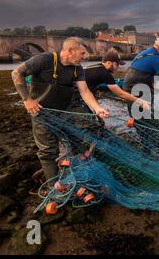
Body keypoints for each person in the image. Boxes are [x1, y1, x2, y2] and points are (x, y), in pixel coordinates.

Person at [11, 37, 109, 180]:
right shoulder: (44, 60)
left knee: (77, 140)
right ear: (70, 50)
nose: (85, 57)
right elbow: (16, 73)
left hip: (64, 112)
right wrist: (27, 99)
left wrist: (97, 108)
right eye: (82, 53)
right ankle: (54, 184)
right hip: (40, 113)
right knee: (48, 151)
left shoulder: (77, 69)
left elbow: (85, 91)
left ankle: (79, 175)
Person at [83, 49, 150, 110]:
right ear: (109, 63)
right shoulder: (105, 74)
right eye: (117, 64)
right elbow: (120, 94)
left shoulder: (98, 67)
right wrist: (140, 101)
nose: (118, 67)